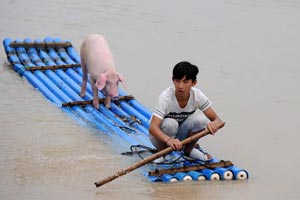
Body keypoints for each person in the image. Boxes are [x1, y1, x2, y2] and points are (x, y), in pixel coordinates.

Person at [149, 61, 222, 162]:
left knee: (202, 120)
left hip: (180, 137)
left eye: (185, 82)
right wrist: (169, 140)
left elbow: (217, 120)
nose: (180, 86)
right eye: (177, 81)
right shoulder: (166, 97)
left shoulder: (197, 96)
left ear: (194, 83)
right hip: (162, 137)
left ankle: (188, 151)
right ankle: (164, 154)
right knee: (171, 123)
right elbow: (153, 127)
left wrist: (214, 125)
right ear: (173, 80)